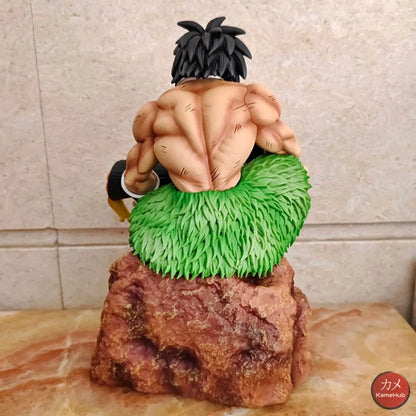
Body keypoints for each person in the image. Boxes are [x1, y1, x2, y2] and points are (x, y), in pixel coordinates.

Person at [107, 17, 311, 279]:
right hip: (244, 222)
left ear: (180, 65)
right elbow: (287, 149)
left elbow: (135, 181)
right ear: (234, 63)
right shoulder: (249, 96)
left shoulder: (156, 110)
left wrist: (154, 184)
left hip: (180, 229)